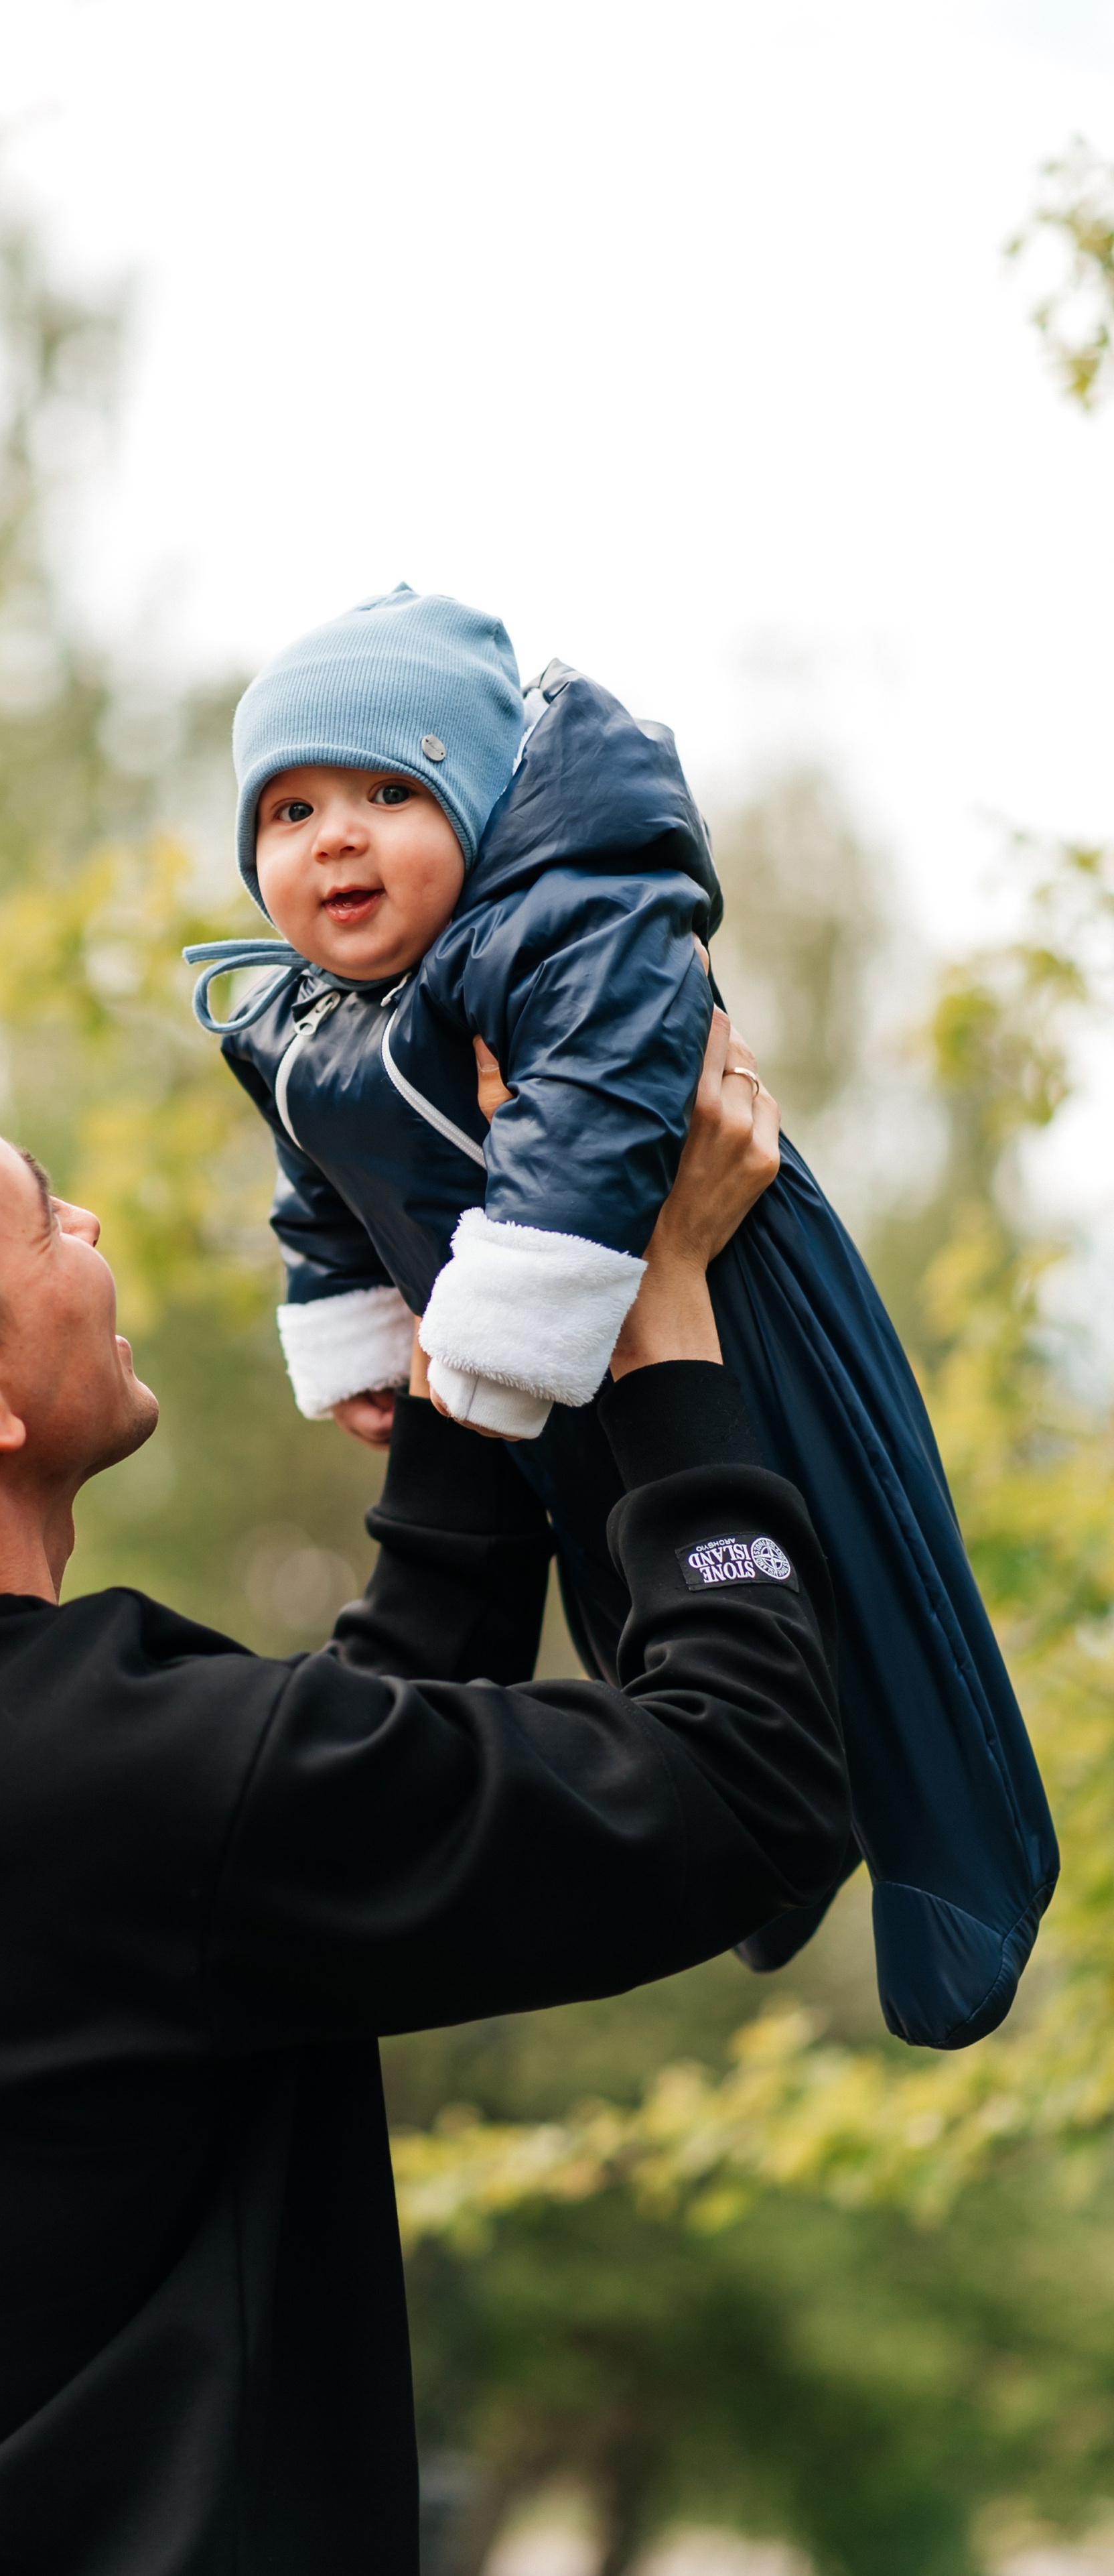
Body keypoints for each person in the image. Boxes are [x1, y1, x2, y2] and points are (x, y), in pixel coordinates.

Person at [0, 1019, 843, 2576]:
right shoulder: (106, 1779)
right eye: (41, 1212)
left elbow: (281, 1814)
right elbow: (751, 1781)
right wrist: (659, 1339)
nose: (90, 1225)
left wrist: (464, 1403)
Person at [183, 582, 1056, 2051]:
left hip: (734, 1303)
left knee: (859, 1557)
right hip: (541, 1371)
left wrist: (502, 1325)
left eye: (388, 789)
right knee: (626, 1598)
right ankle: (767, 1851)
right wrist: (350, 1322)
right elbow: (317, 1182)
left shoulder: (563, 925)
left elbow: (596, 1104)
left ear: (472, 801)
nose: (332, 834)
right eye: (288, 810)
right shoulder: (306, 1024)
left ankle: (958, 1863)